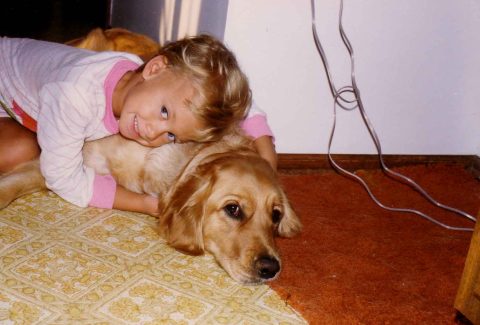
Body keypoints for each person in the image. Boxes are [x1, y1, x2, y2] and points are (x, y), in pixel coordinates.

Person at [0, 34, 276, 216]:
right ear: (154, 68)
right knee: (39, 156)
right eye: (164, 112)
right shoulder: (77, 96)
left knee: (23, 152)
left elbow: (231, 105)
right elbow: (62, 178)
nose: (153, 131)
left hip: (18, 106)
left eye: (170, 135)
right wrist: (143, 204)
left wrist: (266, 163)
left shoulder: (151, 84)